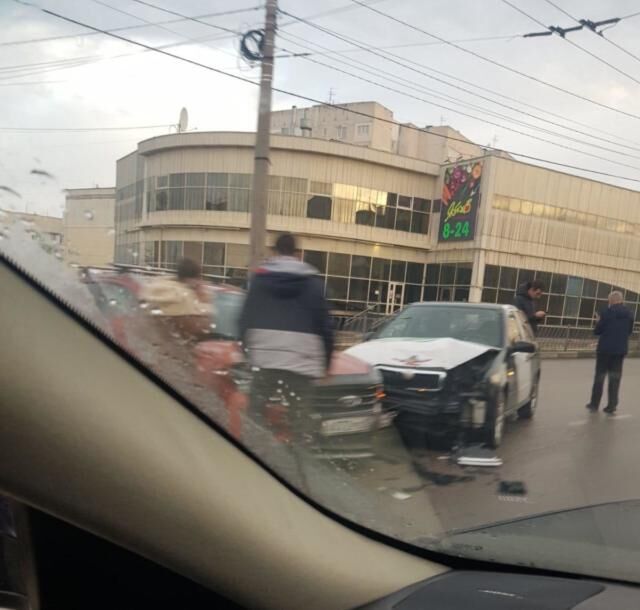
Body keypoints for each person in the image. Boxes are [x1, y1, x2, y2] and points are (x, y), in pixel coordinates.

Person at [238, 233, 334, 441]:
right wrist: (326, 364)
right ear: (298, 253)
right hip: (301, 361)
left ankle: (252, 447)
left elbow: (245, 319)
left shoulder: (259, 280)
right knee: (300, 418)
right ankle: (297, 453)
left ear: (274, 251)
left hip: (266, 358)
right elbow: (326, 327)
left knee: (255, 413)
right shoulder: (314, 283)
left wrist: (246, 352)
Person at [586, 291, 634, 414]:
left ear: (611, 301)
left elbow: (597, 331)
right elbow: (629, 331)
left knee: (599, 377)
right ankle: (611, 405)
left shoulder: (606, 312)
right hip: (619, 351)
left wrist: (598, 321)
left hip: (604, 350)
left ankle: (594, 404)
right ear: (621, 300)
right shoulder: (629, 314)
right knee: (615, 379)